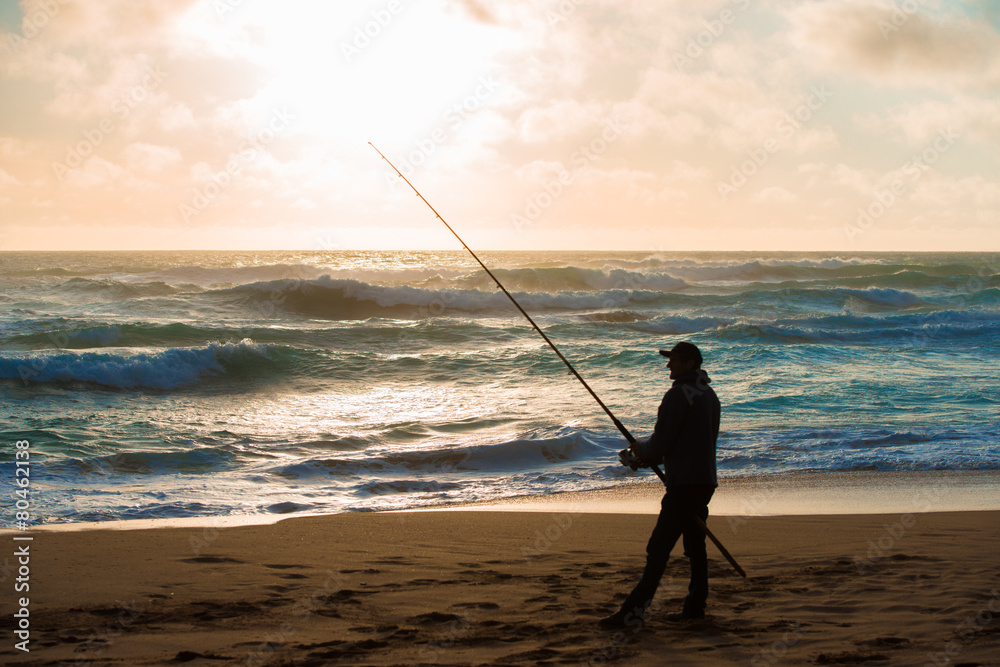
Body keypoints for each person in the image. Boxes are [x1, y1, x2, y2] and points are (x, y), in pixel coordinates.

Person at [599, 341, 721, 629]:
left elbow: (663, 442)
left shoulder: (678, 395)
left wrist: (641, 449)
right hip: (704, 479)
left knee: (658, 548)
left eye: (674, 360)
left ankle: (633, 613)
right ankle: (695, 607)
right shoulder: (708, 393)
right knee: (695, 545)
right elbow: (690, 443)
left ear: (690, 364)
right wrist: (651, 457)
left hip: (684, 484)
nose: (669, 365)